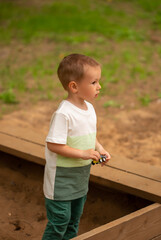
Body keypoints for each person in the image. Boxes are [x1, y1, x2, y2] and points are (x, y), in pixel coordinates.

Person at [42, 53, 111, 240]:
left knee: (74, 220)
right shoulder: (63, 113)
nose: (99, 86)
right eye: (94, 82)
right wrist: (83, 154)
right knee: (60, 221)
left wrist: (100, 149)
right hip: (61, 181)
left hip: (80, 178)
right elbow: (54, 145)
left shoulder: (89, 109)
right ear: (74, 86)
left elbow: (90, 136)